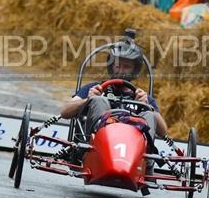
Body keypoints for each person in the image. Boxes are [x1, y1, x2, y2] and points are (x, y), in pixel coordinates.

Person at [58, 35, 168, 173]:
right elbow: (64, 112)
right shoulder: (94, 88)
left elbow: (163, 131)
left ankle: (147, 163)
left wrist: (147, 106)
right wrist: (88, 100)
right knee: (99, 100)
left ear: (134, 70)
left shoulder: (142, 96)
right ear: (111, 66)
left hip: (133, 153)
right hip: (97, 149)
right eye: (117, 65)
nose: (120, 70)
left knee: (149, 114)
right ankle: (90, 153)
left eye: (126, 67)